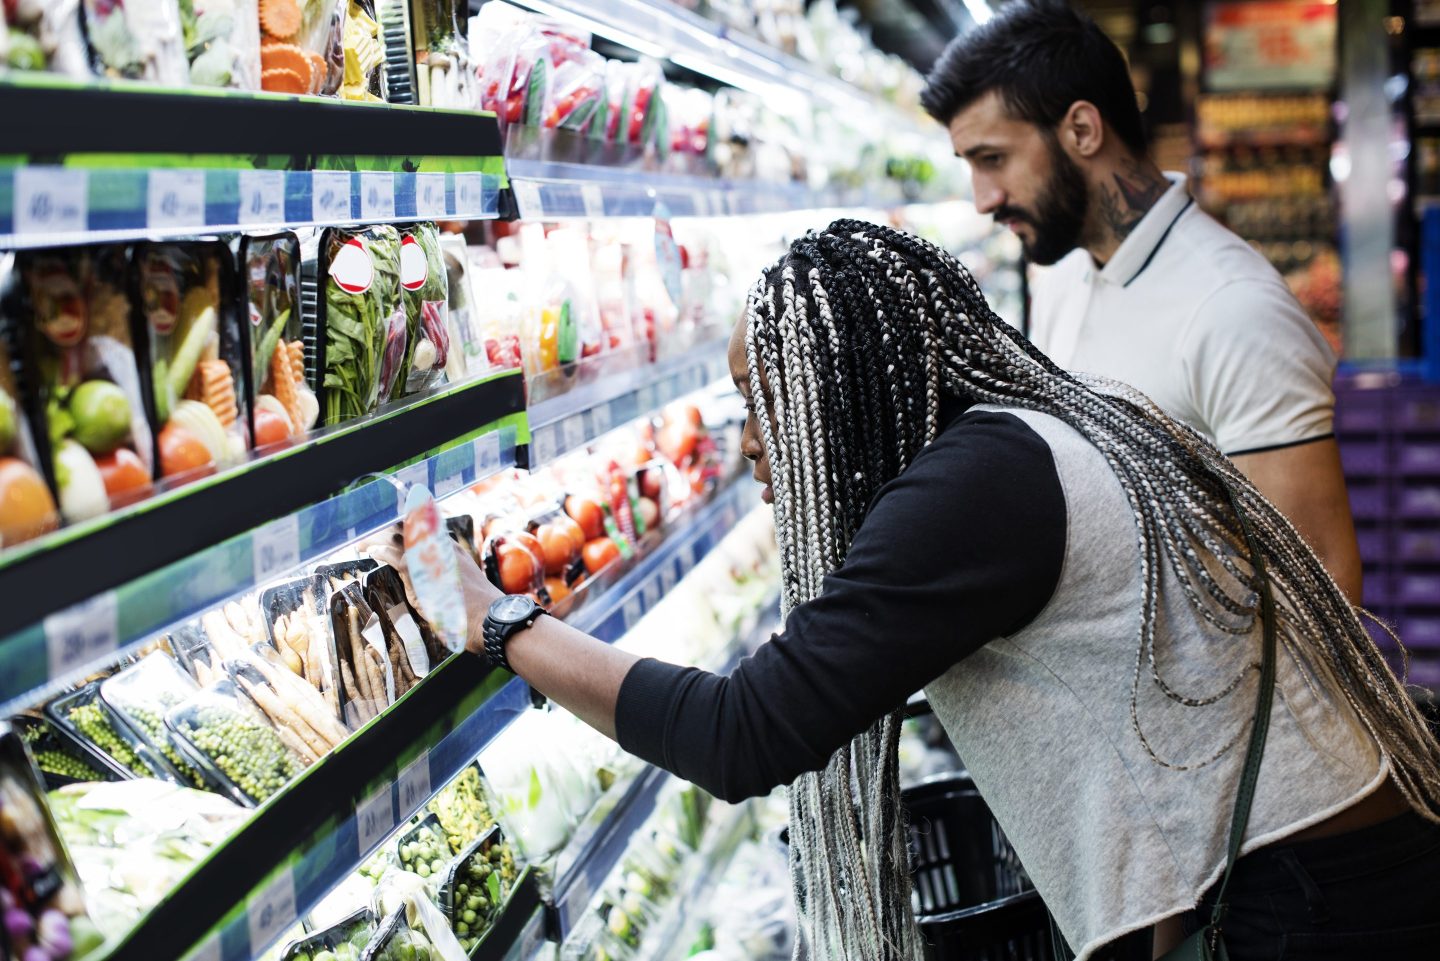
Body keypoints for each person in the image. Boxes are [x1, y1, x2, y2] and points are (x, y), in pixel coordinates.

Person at [383, 222, 1440, 961]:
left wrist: (497, 620)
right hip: (1331, 868)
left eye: (763, 401)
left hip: (1311, 909)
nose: (748, 443)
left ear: (839, 389)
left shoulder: (975, 490)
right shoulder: (1028, 435)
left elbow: (744, 733)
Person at [918, 1, 1363, 605]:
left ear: (1082, 130)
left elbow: (1325, 587)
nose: (983, 199)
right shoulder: (1064, 275)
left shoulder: (1235, 312)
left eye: (993, 159)